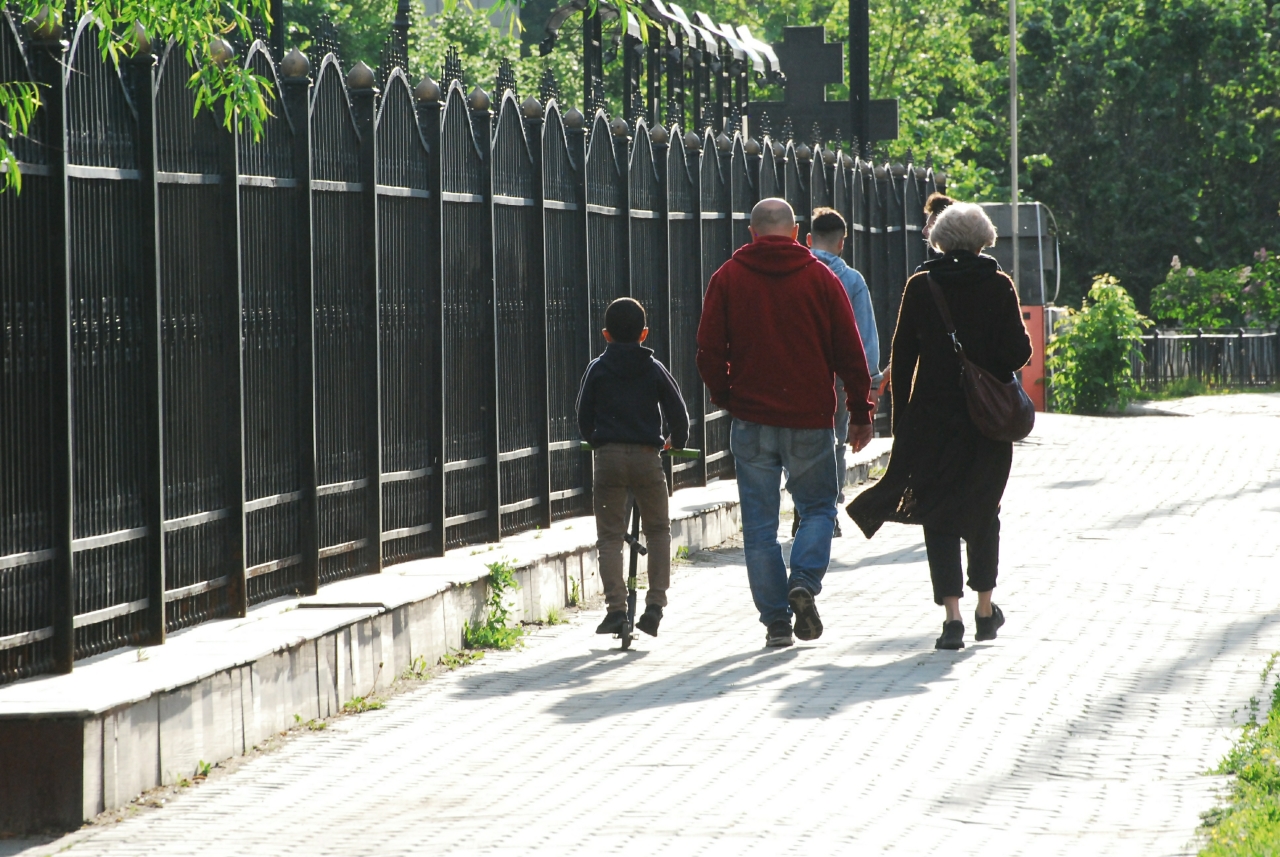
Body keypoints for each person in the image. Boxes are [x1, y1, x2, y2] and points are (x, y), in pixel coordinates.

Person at [847, 203, 1032, 651]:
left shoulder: (921, 286)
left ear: (940, 239)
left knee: (940, 513)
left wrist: (903, 419)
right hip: (987, 424)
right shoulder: (999, 285)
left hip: (932, 419)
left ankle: (952, 618)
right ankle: (985, 607)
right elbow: (1018, 352)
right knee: (984, 507)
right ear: (984, 238)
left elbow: (903, 353)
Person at [697, 198, 874, 648]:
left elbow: (708, 350)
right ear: (797, 233)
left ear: (753, 233)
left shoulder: (728, 278)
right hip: (810, 420)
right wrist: (858, 412)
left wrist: (726, 396)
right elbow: (850, 352)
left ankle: (776, 622)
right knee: (817, 508)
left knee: (758, 527)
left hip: (751, 420)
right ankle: (805, 582)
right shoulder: (822, 279)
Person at [576, 297, 690, 638]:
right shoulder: (653, 368)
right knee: (657, 530)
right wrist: (676, 440)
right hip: (646, 457)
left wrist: (596, 439)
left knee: (609, 535)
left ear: (606, 335)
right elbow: (678, 411)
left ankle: (616, 609)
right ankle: (655, 605)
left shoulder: (597, 367)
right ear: (645, 333)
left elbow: (583, 413)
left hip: (608, 458)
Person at [805, 207, 882, 538]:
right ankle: (827, 511)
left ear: (808, 239)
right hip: (836, 376)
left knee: (796, 441)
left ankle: (801, 506)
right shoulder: (851, 280)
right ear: (842, 243)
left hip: (797, 371)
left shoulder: (797, 271)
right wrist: (871, 382)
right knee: (833, 442)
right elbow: (865, 335)